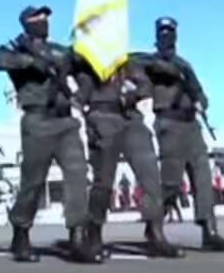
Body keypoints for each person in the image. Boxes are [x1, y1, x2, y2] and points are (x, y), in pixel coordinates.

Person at [0, 5, 101, 264]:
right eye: (37, 17)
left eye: (45, 17)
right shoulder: (17, 51)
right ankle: (21, 231)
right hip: (37, 121)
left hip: (66, 121)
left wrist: (81, 95)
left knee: (78, 173)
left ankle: (77, 235)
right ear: (26, 23)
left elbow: (85, 73)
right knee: (33, 182)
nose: (43, 20)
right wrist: (30, 62)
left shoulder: (61, 51)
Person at [146, 17, 224, 252]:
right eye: (163, 33)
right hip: (170, 124)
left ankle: (210, 231)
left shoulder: (185, 65)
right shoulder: (152, 62)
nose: (167, 37)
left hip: (191, 126)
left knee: (203, 179)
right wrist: (174, 71)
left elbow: (200, 93)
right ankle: (154, 228)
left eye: (170, 32)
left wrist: (201, 102)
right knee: (171, 182)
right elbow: (152, 67)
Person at [76, 57, 182, 259]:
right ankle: (94, 234)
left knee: (150, 175)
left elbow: (145, 85)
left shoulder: (127, 61)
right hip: (102, 116)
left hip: (131, 118)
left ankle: (155, 232)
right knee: (103, 182)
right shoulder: (86, 59)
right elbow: (79, 92)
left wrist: (135, 92)